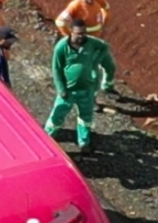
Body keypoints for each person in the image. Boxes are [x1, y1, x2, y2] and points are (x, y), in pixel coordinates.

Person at [44, 18, 116, 152]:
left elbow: (104, 47)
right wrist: (61, 89)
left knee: (86, 117)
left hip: (86, 90)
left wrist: (95, 62)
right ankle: (47, 139)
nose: (81, 36)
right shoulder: (61, 47)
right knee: (57, 116)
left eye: (84, 33)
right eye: (78, 33)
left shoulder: (91, 43)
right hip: (68, 91)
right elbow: (56, 69)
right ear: (71, 32)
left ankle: (83, 142)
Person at [56, 0, 113, 94]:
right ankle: (92, 98)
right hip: (85, 45)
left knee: (110, 65)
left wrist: (104, 23)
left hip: (97, 42)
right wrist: (71, 39)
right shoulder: (75, 6)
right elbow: (60, 22)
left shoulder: (99, 0)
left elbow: (106, 8)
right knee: (93, 73)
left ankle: (108, 85)